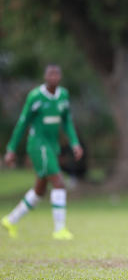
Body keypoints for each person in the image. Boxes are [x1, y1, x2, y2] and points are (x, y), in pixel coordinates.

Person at [2, 64, 84, 240]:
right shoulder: (35, 97)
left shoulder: (63, 95)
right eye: (50, 74)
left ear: (60, 77)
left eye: (56, 74)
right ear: (45, 77)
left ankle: (10, 220)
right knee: (59, 183)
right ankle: (59, 229)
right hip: (38, 145)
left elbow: (67, 121)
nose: (53, 77)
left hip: (51, 146)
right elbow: (22, 123)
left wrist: (75, 143)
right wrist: (11, 149)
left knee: (39, 190)